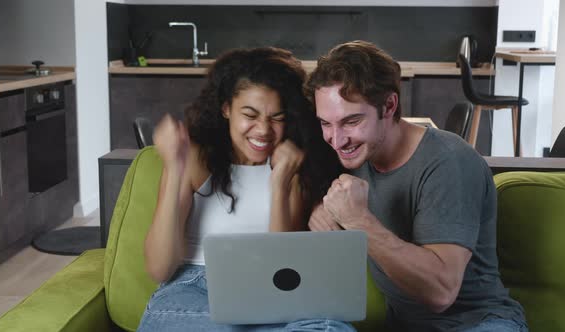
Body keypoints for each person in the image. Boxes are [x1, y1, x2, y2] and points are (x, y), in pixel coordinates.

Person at [305, 40, 528, 332]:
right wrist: (316, 208)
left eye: (351, 121)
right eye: (325, 123)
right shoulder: (352, 152)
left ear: (389, 105)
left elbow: (441, 293)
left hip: (480, 324)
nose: (336, 139)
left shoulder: (448, 161)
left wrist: (358, 220)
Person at [137, 47, 351, 332]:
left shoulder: (293, 164)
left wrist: (280, 183)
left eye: (277, 117)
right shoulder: (193, 160)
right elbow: (160, 269)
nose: (263, 130)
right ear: (226, 108)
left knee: (331, 326)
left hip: (269, 287)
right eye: (249, 114)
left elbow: (281, 269)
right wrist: (174, 168)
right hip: (195, 289)